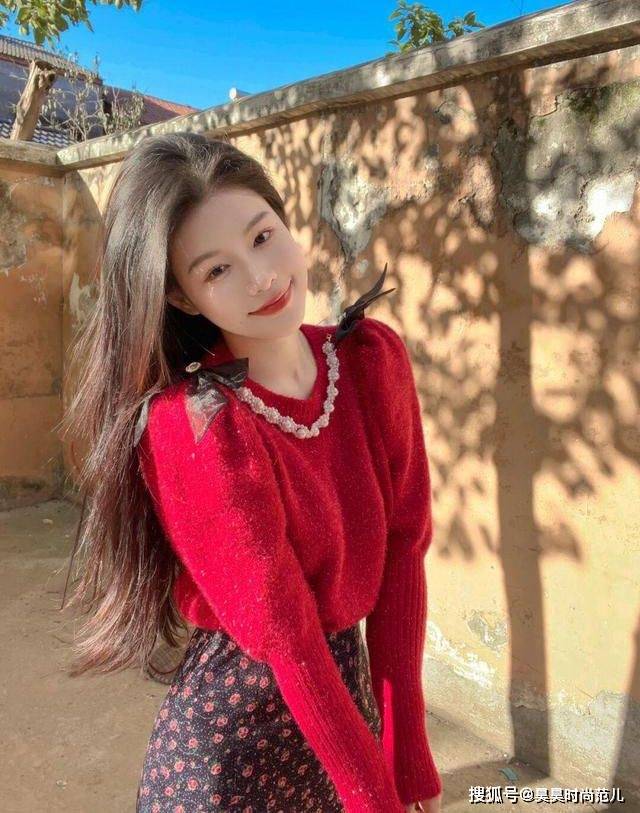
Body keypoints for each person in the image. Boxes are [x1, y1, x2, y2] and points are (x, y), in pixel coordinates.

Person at [59, 131, 443, 812]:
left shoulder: (372, 362)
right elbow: (285, 632)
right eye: (216, 270)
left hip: (342, 713)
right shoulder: (198, 426)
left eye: (263, 237)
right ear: (181, 297)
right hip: (234, 745)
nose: (261, 277)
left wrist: (404, 756)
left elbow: (403, 551)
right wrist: (373, 795)